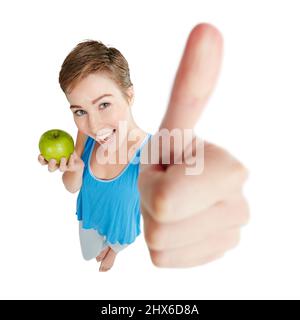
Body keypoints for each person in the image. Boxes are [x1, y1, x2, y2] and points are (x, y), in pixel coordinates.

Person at [38, 39, 152, 272]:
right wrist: (75, 169)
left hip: (123, 228)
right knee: (88, 253)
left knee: (120, 242)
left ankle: (115, 250)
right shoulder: (84, 134)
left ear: (129, 96)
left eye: (104, 105)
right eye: (80, 111)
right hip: (89, 217)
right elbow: (72, 188)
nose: (93, 124)